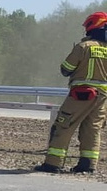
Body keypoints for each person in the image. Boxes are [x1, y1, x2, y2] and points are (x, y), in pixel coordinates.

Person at [35, 11, 107, 174]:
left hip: (81, 95)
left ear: (91, 27)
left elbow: (65, 69)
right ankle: (88, 165)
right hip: (102, 98)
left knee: (63, 126)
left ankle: (53, 164)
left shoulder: (83, 47)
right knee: (93, 130)